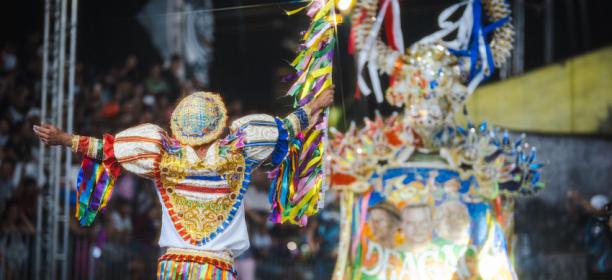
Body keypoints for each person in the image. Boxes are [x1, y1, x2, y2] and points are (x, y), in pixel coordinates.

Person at [33, 87, 334, 280]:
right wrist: (315, 105)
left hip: (172, 268)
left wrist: (65, 139)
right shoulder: (239, 155)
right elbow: (286, 130)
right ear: (218, 128)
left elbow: (105, 149)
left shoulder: (163, 158)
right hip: (215, 270)